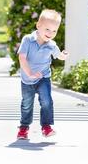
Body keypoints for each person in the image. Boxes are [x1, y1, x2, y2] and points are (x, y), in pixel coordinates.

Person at [17, 9, 69, 139]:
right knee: (26, 104)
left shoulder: (52, 45)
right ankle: (23, 128)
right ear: (38, 26)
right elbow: (22, 58)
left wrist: (63, 55)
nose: (50, 33)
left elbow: (59, 56)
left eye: (54, 31)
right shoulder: (28, 40)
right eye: (47, 29)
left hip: (43, 77)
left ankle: (46, 127)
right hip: (27, 79)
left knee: (46, 101)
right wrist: (29, 73)